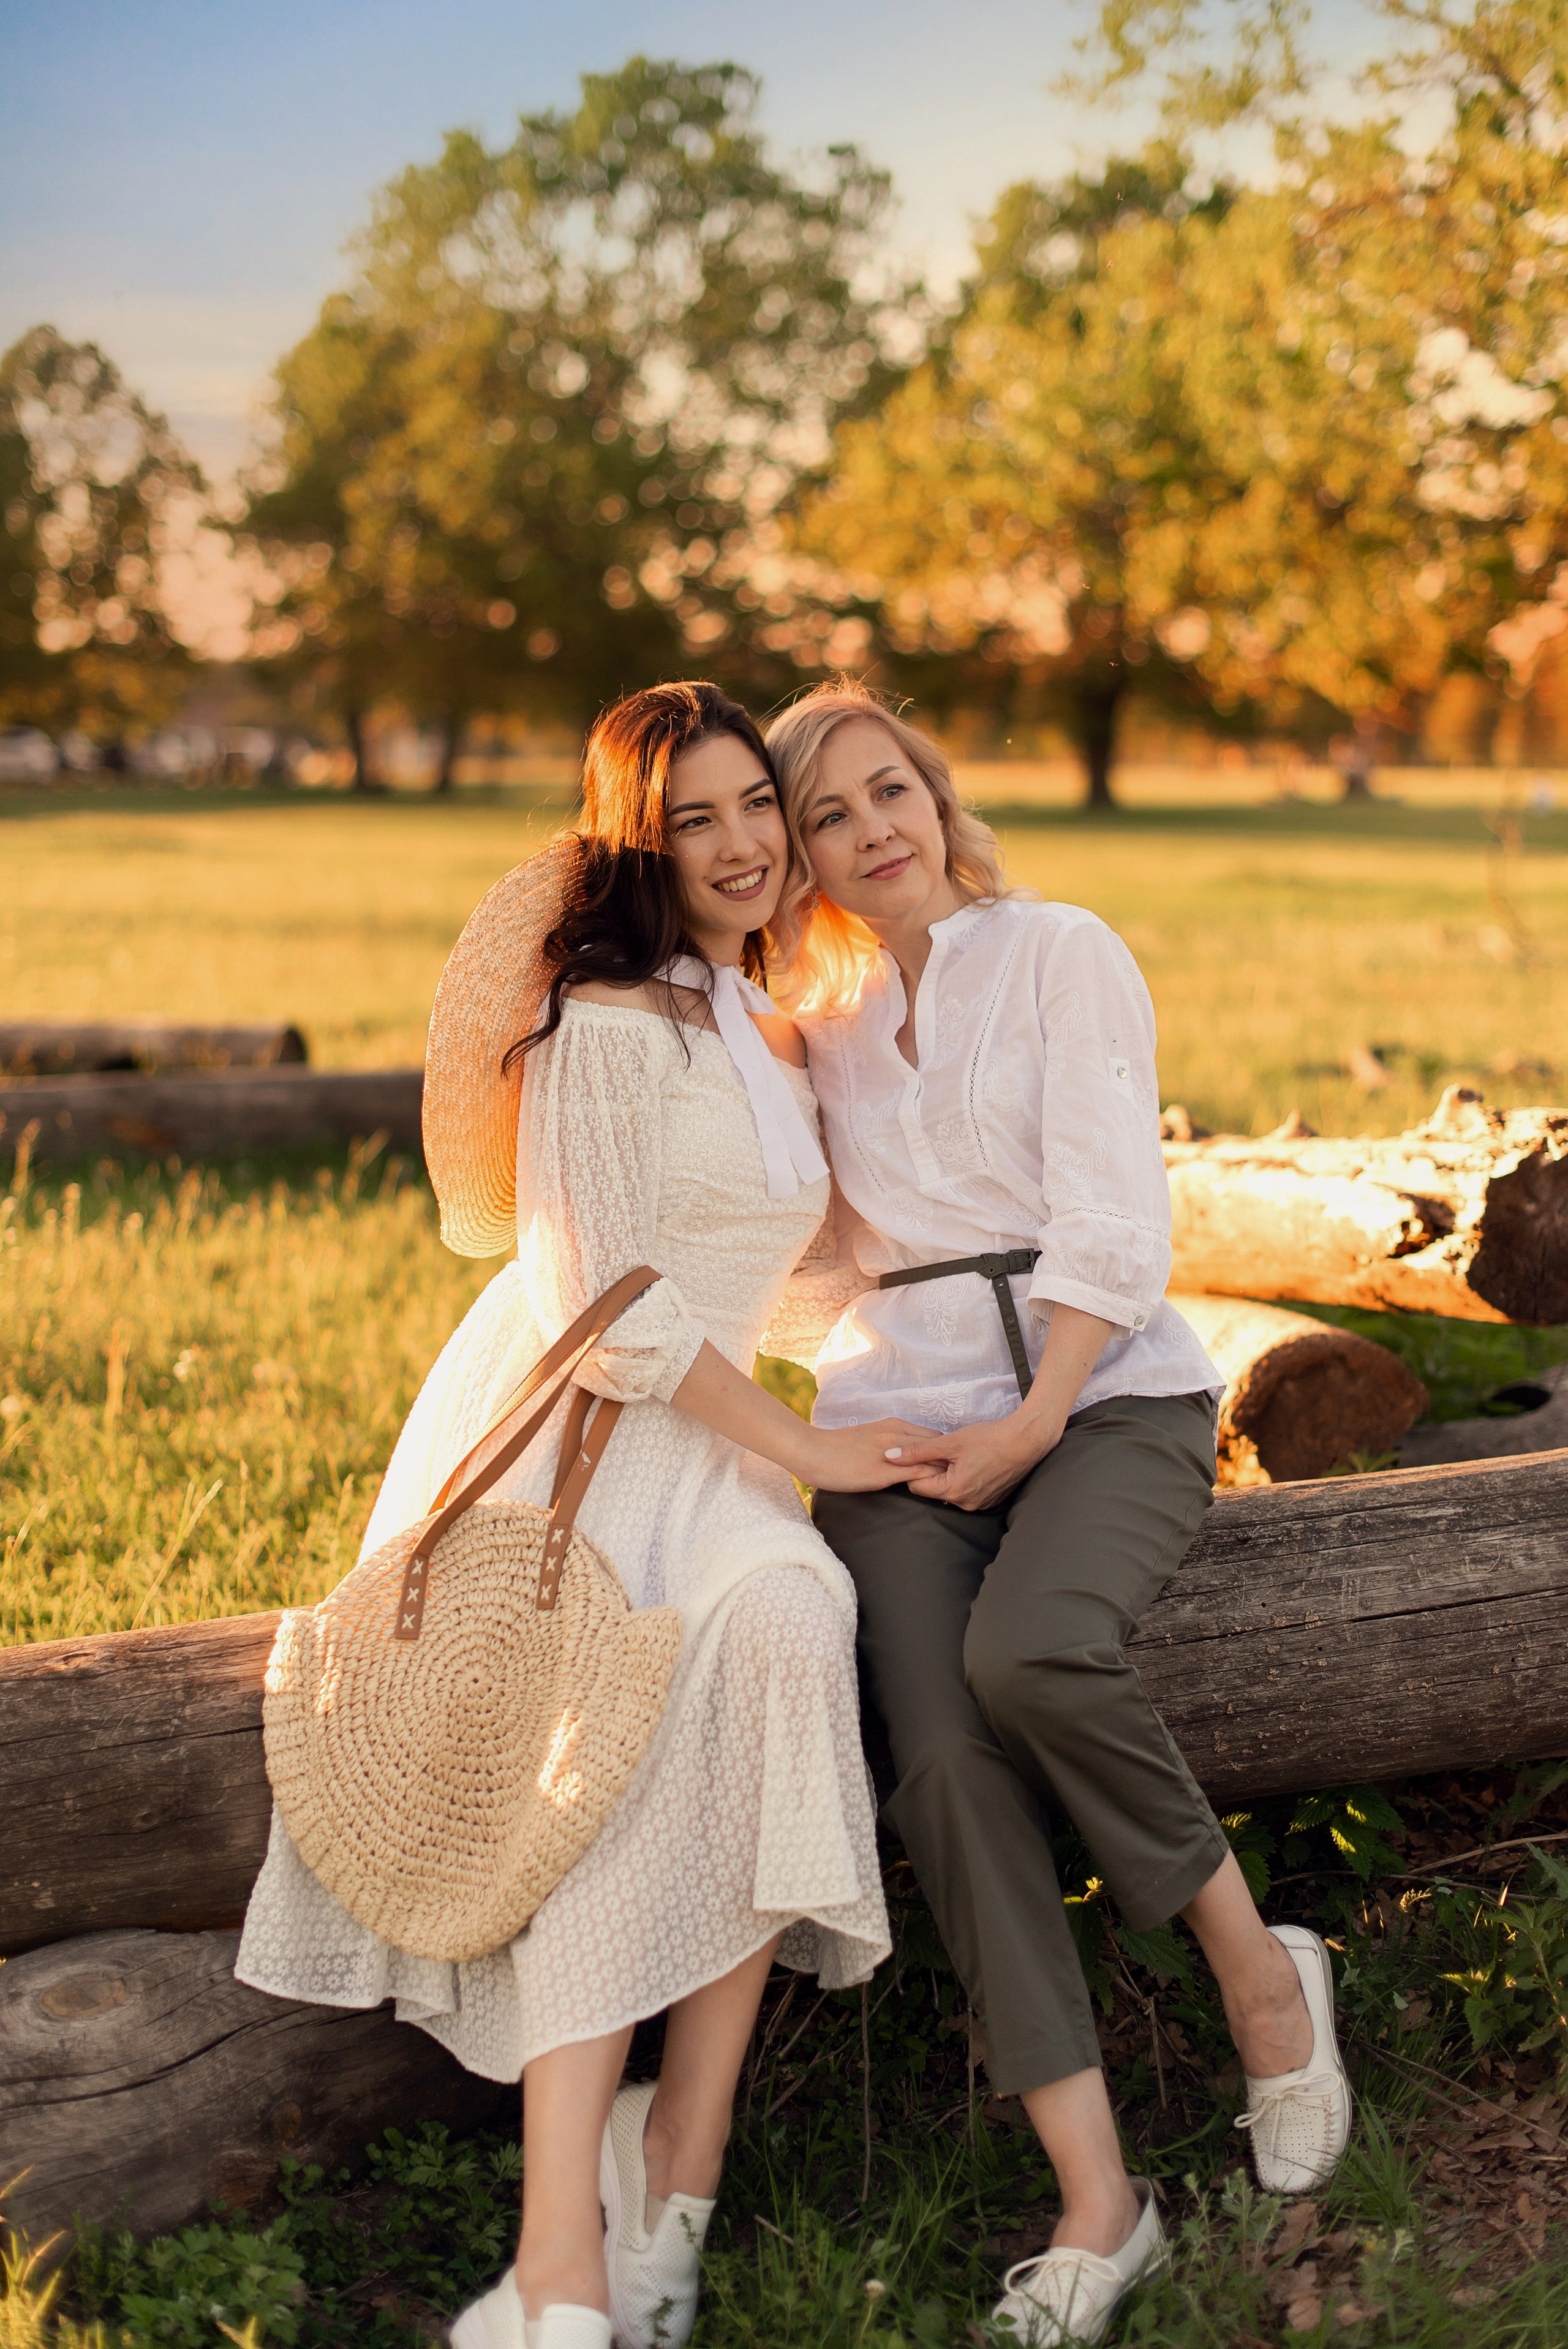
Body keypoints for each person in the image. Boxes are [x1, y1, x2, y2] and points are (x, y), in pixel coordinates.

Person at [238, 682, 927, 2349]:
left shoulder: (775, 1027)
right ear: (639, 842)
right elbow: (610, 1309)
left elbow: (814, 1260)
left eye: (757, 802)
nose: (746, 842)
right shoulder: (600, 1019)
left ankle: (673, 2174)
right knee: (599, 1731)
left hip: (722, 1450)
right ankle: (557, 2255)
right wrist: (818, 1454)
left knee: (787, 1623)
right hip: (580, 1437)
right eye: (695, 819)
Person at [763, 683, 1352, 2349]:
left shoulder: (1062, 948)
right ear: (802, 858)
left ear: (940, 797)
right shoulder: (819, 1021)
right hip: (903, 1424)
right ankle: (1101, 2200)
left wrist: (1035, 1414)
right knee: (939, 1760)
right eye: (830, 815)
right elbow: (810, 1271)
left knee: (1031, 1651)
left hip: (1100, 1396)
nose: (873, 827)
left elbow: (1112, 1203)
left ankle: (1258, 1972)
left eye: (893, 788)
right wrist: (857, 1418)